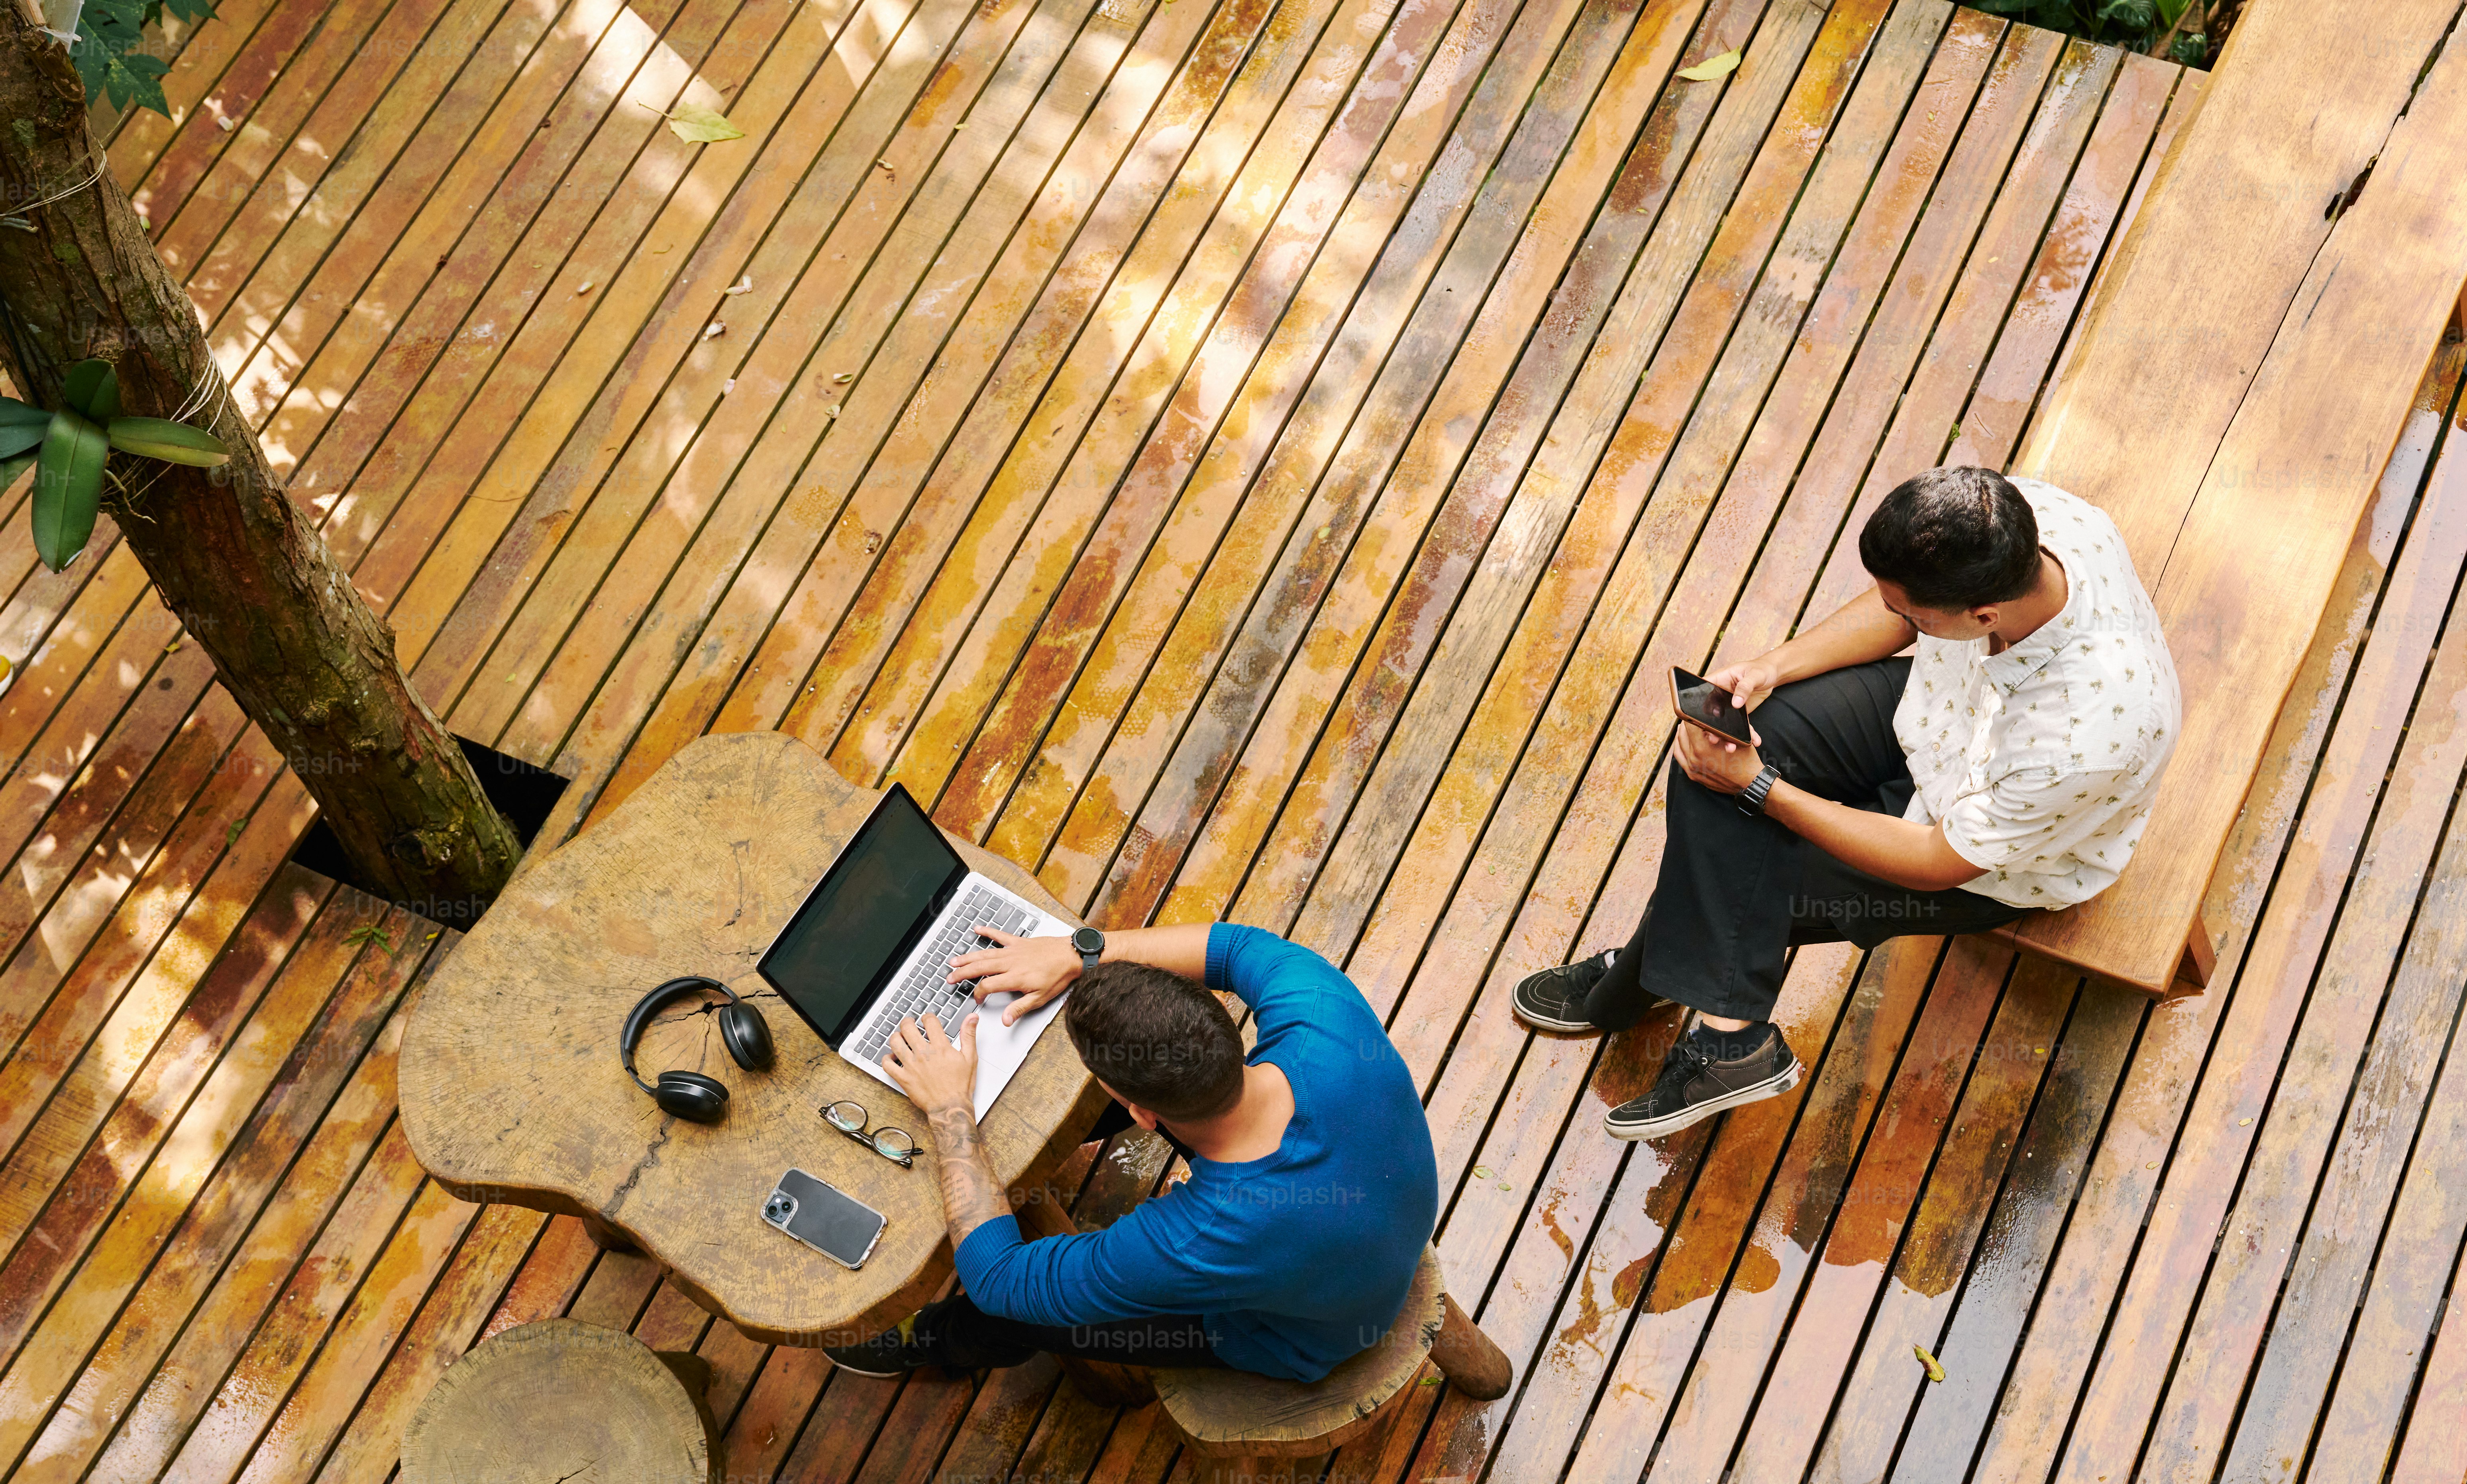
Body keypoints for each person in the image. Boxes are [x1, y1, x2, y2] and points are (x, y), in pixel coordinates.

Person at [1517, 466, 2178, 1140]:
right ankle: (1721, 1029)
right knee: (1716, 752)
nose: (1899, 617)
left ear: (1984, 617)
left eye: (1913, 617)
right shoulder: (2014, 517)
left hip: (1980, 857)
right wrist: (1772, 668)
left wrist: (1760, 788)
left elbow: (1941, 860)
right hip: (1937, 716)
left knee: (1747, 870)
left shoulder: (2086, 733)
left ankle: (1651, 993)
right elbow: (1898, 608)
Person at [824, 920, 1437, 1383]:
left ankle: (931, 1340)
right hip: (1382, 1213)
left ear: (1142, 1116)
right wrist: (1079, 952)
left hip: (1302, 1338)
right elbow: (1237, 948)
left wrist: (948, 1109)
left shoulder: (1195, 1239)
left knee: (1013, 1314)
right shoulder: (1322, 1012)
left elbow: (996, 1277)